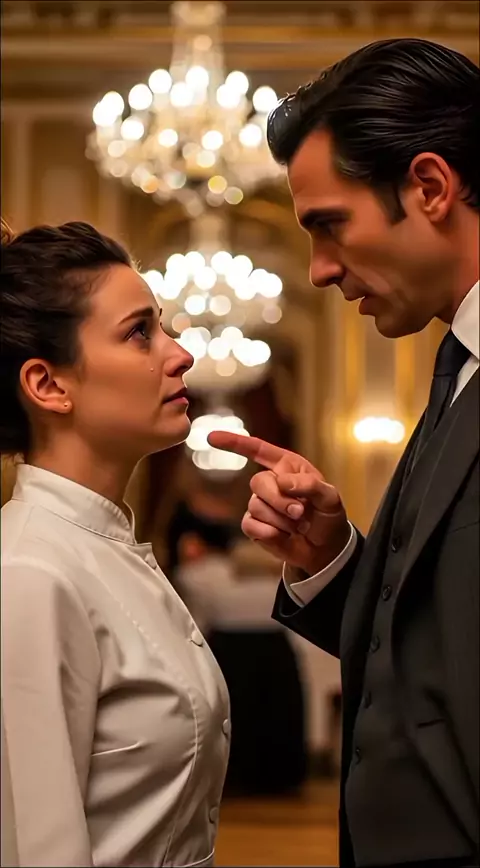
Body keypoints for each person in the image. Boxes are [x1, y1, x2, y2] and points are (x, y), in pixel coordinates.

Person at [209, 38, 479, 868]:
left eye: (329, 226)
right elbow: (436, 640)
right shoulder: (458, 371)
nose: (321, 270)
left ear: (428, 187)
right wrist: (332, 557)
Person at [0, 219, 230, 868]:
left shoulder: (105, 543)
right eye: (139, 333)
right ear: (49, 385)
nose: (181, 355)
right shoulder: (27, 573)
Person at [175, 521, 307, 796]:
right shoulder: (280, 587)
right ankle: (277, 777)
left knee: (237, 714)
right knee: (274, 715)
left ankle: (234, 774)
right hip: (272, 654)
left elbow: (198, 609)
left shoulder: (214, 584)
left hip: (230, 653)